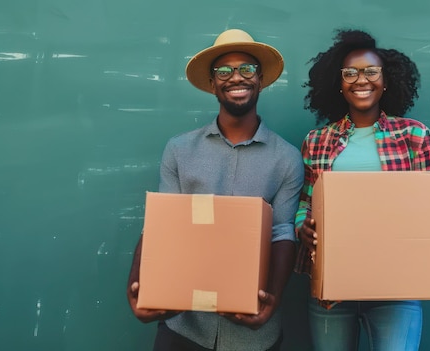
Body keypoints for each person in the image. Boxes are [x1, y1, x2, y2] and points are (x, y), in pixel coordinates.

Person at [126, 29, 304, 351]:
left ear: (260, 80)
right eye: (224, 71)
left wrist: (272, 301)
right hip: (184, 327)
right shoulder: (179, 149)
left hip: (254, 334)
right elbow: (161, 224)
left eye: (246, 69)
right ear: (212, 84)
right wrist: (136, 285)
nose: (236, 77)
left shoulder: (287, 157)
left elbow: (282, 232)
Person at [294, 29, 430, 351]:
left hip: (396, 287)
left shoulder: (414, 135)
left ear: (385, 81)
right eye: (350, 73)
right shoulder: (316, 141)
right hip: (332, 288)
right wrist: (302, 227)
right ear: (340, 84)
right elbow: (306, 202)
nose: (362, 80)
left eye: (371, 71)